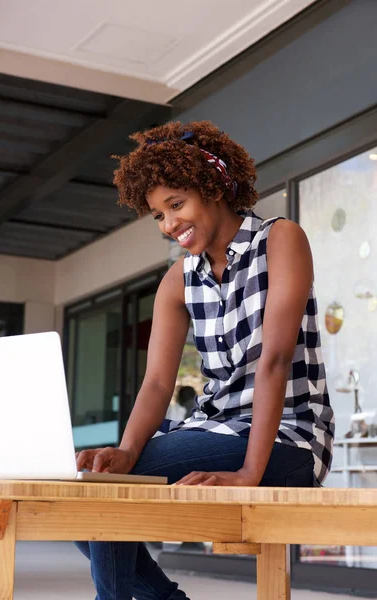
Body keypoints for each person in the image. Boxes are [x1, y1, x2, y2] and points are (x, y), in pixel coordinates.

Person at [75, 121, 335, 600]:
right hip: (213, 431)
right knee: (90, 489)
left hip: (288, 439)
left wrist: (250, 473)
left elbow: (274, 360)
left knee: (103, 494)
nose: (169, 224)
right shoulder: (178, 281)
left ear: (214, 186)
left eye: (177, 205)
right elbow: (156, 384)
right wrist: (127, 451)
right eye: (158, 214)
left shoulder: (280, 241)